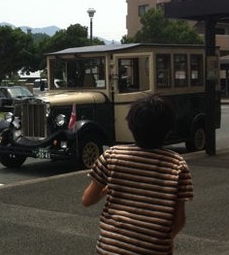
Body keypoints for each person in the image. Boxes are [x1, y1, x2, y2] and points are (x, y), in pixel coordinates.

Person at [81, 94, 193, 254]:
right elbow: (179, 220)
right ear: (168, 130)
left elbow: (87, 200)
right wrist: (165, 240)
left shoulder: (112, 155)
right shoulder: (177, 164)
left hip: (110, 248)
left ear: (131, 126)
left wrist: (105, 191)